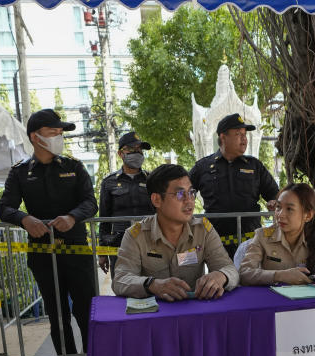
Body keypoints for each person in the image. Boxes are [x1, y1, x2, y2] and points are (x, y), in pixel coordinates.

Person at [0, 108, 98, 356]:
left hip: (77, 252)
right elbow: (5, 207)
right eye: (54, 133)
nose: (59, 138)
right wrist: (23, 219)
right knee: (58, 319)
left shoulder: (74, 166)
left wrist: (72, 217)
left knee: (87, 315)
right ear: (35, 137)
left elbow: (90, 202)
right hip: (43, 256)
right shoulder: (19, 172)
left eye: (60, 134)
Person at [113, 164, 238, 300]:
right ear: (157, 200)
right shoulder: (136, 235)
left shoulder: (203, 230)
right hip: (154, 314)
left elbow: (230, 269)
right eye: (179, 194)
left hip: (192, 311)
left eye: (191, 192)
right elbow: (120, 280)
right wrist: (152, 285)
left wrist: (221, 276)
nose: (189, 200)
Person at [188, 113, 280, 258]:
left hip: (250, 241)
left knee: (251, 278)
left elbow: (275, 194)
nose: (244, 139)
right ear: (223, 137)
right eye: (238, 134)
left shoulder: (254, 165)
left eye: (245, 134)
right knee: (220, 279)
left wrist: (275, 202)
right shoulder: (203, 166)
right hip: (215, 241)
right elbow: (183, 193)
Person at [239, 183, 315, 285]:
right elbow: (244, 273)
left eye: (289, 209)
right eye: (278, 207)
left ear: (308, 215)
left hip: (307, 304)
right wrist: (279, 275)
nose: (280, 214)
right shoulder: (263, 236)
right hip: (273, 303)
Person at [98, 131, 155, 275]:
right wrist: (102, 253)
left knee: (154, 288)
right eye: (132, 149)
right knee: (123, 288)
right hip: (120, 245)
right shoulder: (109, 182)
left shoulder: (152, 180)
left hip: (150, 242)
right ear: (120, 154)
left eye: (139, 149)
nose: (137, 152)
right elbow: (104, 220)